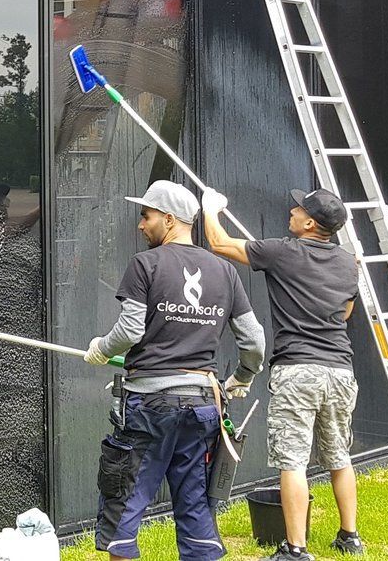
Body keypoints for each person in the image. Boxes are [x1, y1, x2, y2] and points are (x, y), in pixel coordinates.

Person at [84, 180, 266, 561]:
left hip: (151, 405)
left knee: (126, 501)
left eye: (146, 216)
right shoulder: (224, 271)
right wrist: (241, 379)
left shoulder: (145, 264)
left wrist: (101, 348)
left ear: (169, 219)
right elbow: (254, 340)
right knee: (195, 503)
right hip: (203, 405)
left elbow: (131, 330)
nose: (140, 225)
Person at [200, 187, 366, 560]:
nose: (291, 211)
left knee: (292, 461)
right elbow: (345, 313)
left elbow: (219, 243)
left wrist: (212, 208)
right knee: (339, 455)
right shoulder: (347, 262)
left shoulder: (283, 252)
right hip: (340, 369)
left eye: (298, 209)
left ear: (310, 223)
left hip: (298, 371)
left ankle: (296, 549)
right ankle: (349, 537)